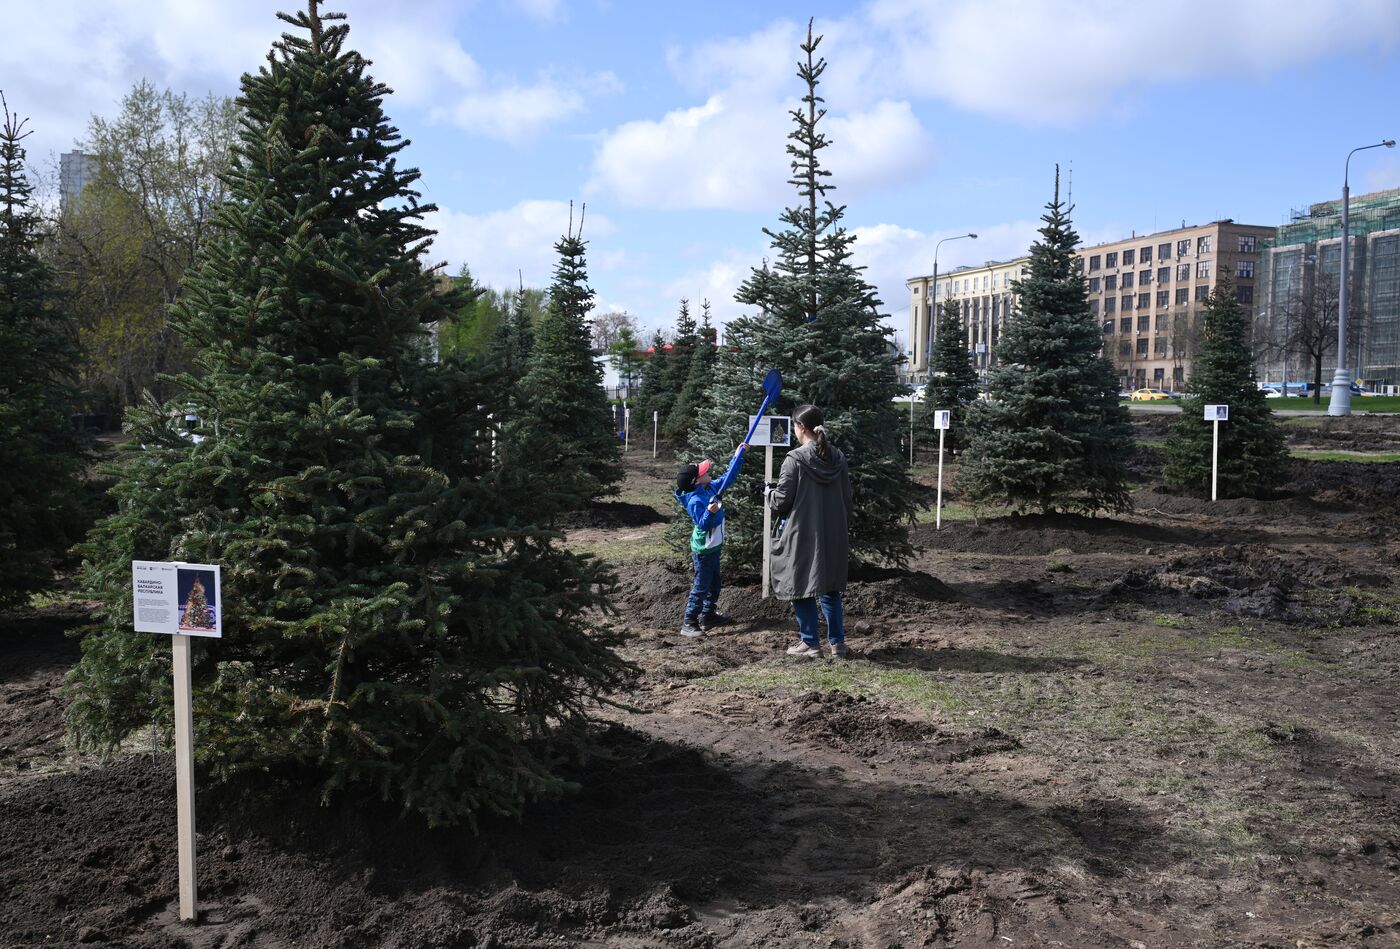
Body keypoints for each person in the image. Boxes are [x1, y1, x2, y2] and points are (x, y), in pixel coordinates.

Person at [767, 404, 852, 659]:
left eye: (794, 425)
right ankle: (838, 644)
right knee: (830, 587)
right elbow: (847, 497)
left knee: (799, 584)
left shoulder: (795, 459)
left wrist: (768, 493)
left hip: (802, 532)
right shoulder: (838, 456)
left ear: (801, 427)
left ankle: (810, 643)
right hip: (833, 531)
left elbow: (782, 501)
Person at [675, 444, 748, 637]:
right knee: (701, 586)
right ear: (697, 481)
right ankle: (689, 622)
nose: (708, 472)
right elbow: (702, 524)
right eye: (704, 472)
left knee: (715, 584)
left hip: (713, 547)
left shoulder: (709, 487)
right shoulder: (695, 501)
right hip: (703, 551)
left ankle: (708, 615)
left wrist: (737, 456)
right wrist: (709, 512)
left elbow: (728, 477)